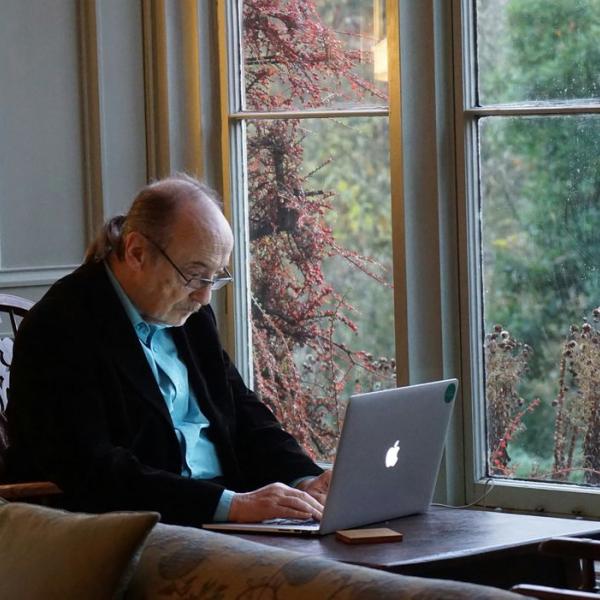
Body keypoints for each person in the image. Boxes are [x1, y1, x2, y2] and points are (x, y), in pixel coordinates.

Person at [7, 174, 331, 527]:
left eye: (214, 277)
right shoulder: (59, 328)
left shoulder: (189, 313)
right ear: (136, 253)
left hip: (228, 518)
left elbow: (240, 410)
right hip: (140, 530)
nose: (205, 296)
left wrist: (305, 478)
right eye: (194, 275)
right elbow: (94, 470)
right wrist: (231, 506)